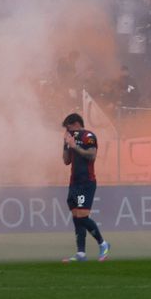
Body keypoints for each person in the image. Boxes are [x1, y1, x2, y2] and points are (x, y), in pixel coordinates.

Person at [62, 112, 110, 263]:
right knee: (76, 216)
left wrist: (75, 146)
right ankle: (81, 253)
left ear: (77, 124)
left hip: (86, 182)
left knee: (82, 216)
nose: (68, 132)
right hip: (74, 182)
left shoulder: (88, 136)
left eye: (69, 129)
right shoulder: (71, 139)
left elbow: (91, 155)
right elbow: (66, 161)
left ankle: (103, 244)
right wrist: (66, 145)